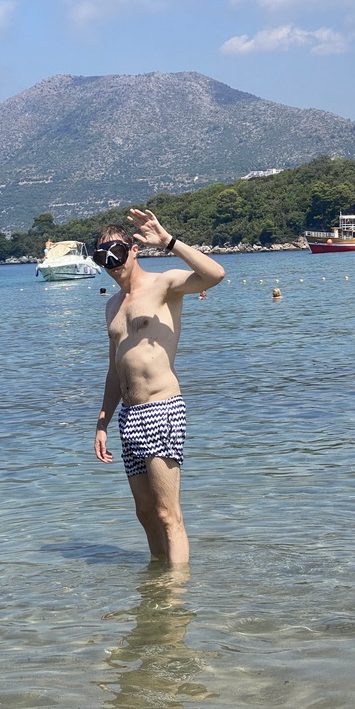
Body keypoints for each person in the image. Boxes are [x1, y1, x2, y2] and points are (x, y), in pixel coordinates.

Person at [93, 207, 226, 565]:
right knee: (146, 514)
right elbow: (113, 370)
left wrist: (168, 241)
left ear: (133, 250)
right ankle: (156, 585)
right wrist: (103, 421)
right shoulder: (112, 307)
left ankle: (176, 594)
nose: (111, 261)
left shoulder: (163, 285)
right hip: (128, 416)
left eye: (117, 252)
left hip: (161, 409)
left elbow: (215, 274)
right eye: (101, 256)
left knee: (168, 514)